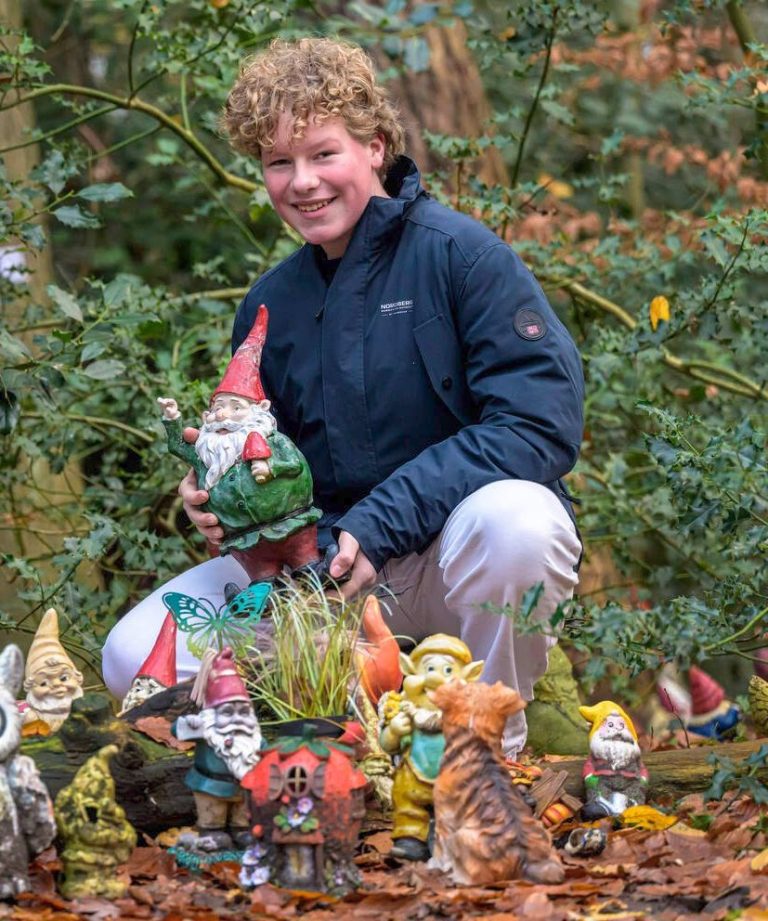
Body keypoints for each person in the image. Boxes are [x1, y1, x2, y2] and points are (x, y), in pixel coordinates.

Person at [102, 37, 584, 758]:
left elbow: (538, 424)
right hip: (322, 580)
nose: (302, 181)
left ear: (375, 146)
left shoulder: (463, 258)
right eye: (278, 161)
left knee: (521, 524)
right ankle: (310, 761)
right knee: (130, 651)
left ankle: (487, 747)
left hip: (447, 567)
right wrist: (220, 499)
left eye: (323, 153)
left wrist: (379, 522)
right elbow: (270, 471)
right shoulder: (270, 304)